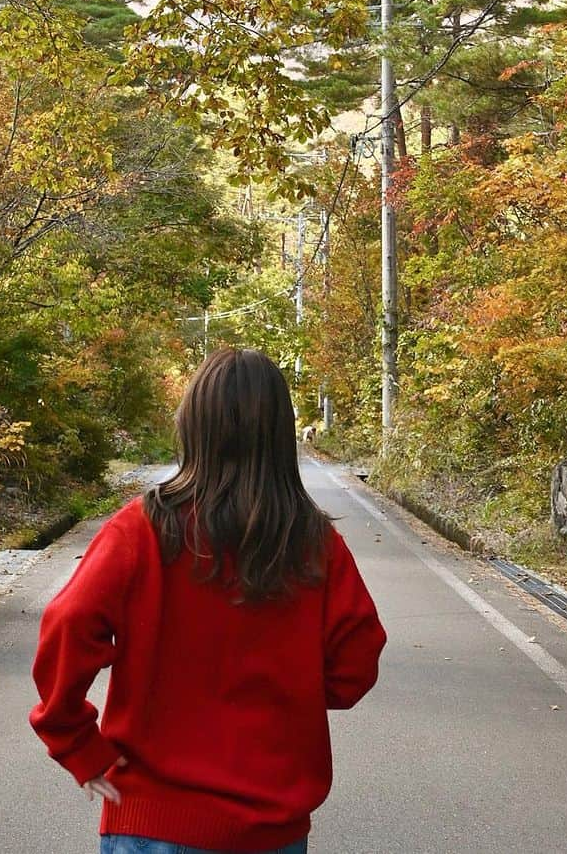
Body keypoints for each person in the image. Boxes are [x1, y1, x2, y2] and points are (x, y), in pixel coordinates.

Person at [30, 347, 386, 854]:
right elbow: (356, 663)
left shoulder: (142, 529)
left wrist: (76, 742)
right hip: (271, 829)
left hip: (151, 823)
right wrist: (292, 686)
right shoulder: (313, 543)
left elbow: (69, 621)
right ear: (279, 435)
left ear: (193, 424)